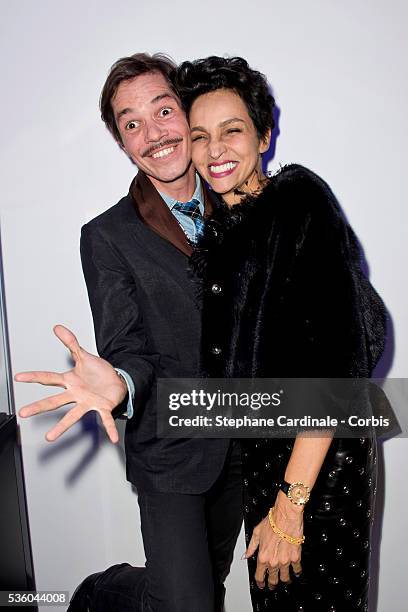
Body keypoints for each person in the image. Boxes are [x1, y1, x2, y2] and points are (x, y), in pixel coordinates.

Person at [15, 53, 243, 612]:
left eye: (163, 111)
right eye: (131, 123)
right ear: (121, 143)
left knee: (206, 584)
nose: (153, 134)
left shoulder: (245, 202)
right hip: (169, 446)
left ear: (187, 113)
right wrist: (119, 381)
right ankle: (106, 591)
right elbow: (128, 349)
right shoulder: (107, 236)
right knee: (183, 602)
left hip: (246, 435)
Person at [173, 56, 386, 611]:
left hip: (320, 464)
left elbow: (337, 366)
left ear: (264, 136)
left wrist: (290, 506)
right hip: (265, 463)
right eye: (200, 136)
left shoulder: (298, 202)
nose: (215, 150)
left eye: (232, 131)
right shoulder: (223, 232)